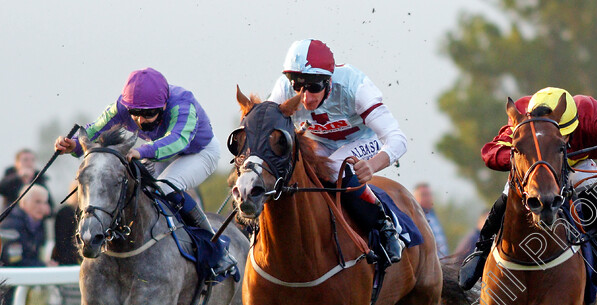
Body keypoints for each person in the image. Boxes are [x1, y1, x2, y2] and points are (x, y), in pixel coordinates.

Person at [459, 87, 597, 290]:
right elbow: (490, 152)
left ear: (575, 126)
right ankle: (481, 251)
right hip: (537, 169)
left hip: (574, 166)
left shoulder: (591, 115)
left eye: (563, 135)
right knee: (509, 192)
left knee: (590, 189)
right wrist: (521, 156)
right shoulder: (523, 114)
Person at [53, 67, 235, 277]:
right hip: (158, 152)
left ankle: (217, 249)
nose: (140, 120)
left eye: (148, 114)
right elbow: (94, 129)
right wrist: (73, 145)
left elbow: (178, 140)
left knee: (166, 187)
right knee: (139, 188)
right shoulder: (121, 106)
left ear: (164, 104)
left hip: (199, 152)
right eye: (135, 113)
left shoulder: (183, 104)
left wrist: (142, 150)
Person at [267, 39, 407, 265]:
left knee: (332, 168)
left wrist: (371, 166)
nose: (306, 98)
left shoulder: (355, 87)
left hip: (362, 140)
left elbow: (398, 140)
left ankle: (384, 224)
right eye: (298, 87)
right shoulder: (282, 88)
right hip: (318, 141)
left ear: (328, 80)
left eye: (314, 87)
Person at [0, 185, 52, 305]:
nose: (42, 207)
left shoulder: (36, 225)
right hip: (4, 288)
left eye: (44, 202)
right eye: (37, 202)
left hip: (13, 290)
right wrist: (44, 266)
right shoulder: (10, 225)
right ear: (23, 203)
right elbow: (13, 261)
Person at [0, 149, 54, 213]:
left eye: (32, 160)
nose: (29, 163)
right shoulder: (10, 176)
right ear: (17, 163)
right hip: (12, 216)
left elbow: (50, 204)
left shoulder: (40, 179)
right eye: (25, 160)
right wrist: (18, 177)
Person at [413, 183, 448, 258]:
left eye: (429, 194)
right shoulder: (414, 217)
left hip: (442, 263)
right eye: (424, 195)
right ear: (415, 197)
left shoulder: (432, 214)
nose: (428, 198)